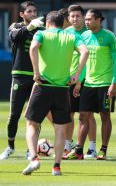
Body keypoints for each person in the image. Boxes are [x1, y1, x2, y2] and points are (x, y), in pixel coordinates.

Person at [22, 11, 89, 175]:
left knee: (31, 123)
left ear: (47, 23)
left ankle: (34, 158)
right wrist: (76, 75)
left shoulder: (41, 34)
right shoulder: (71, 36)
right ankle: (56, 167)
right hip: (62, 89)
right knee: (60, 129)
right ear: (63, 23)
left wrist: (36, 73)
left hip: (43, 86)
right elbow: (85, 51)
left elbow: (33, 48)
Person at [64, 9, 116, 160]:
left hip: (105, 84)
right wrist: (79, 82)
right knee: (83, 116)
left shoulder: (110, 36)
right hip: (88, 84)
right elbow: (83, 63)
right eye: (86, 19)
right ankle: (78, 151)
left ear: (99, 20)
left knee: (105, 116)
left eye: (90, 19)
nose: (87, 22)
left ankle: (103, 150)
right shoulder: (84, 36)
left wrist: (114, 83)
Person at [0, 1, 44, 160]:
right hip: (19, 75)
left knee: (34, 116)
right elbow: (14, 36)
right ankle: (10, 146)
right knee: (14, 115)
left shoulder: (41, 29)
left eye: (34, 11)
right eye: (29, 11)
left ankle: (30, 150)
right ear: (22, 14)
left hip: (36, 76)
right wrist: (30, 27)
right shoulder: (15, 26)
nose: (33, 14)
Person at [64, 4, 97, 158]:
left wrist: (80, 80)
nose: (75, 18)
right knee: (68, 113)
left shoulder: (90, 33)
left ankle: (92, 148)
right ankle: (67, 146)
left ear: (83, 18)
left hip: (88, 79)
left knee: (88, 115)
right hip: (69, 78)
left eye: (78, 16)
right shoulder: (65, 33)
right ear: (68, 19)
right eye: (72, 16)